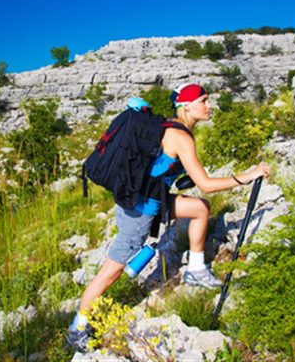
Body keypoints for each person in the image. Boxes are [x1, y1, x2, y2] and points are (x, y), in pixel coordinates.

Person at [67, 83, 270, 351]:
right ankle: (77, 328)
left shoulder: (169, 127)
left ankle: (196, 269)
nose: (208, 106)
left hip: (144, 199)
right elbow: (206, 184)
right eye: (203, 101)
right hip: (140, 212)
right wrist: (245, 176)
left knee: (199, 209)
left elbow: (162, 169)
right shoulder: (181, 137)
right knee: (111, 272)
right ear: (187, 106)